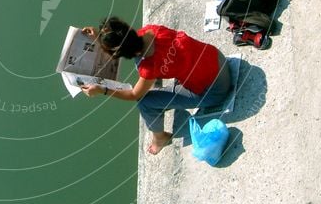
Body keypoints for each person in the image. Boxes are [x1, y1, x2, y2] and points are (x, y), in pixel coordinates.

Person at [80, 16, 232, 155]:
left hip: (215, 91)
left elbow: (134, 95)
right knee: (143, 61)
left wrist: (102, 89)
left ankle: (160, 138)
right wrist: (100, 38)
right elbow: (128, 44)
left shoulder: (149, 67)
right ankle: (157, 89)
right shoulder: (152, 30)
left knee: (144, 102)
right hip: (218, 60)